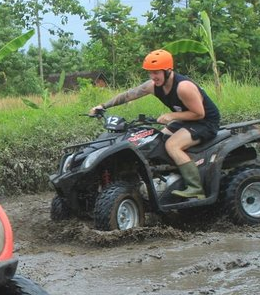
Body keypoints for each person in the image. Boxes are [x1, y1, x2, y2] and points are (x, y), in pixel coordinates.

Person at [89, 49, 220, 199]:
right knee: (156, 140)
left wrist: (172, 116)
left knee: (172, 145)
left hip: (205, 122)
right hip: (185, 120)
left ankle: (195, 187)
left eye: (156, 72)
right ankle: (170, 176)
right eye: (150, 73)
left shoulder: (184, 87)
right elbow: (129, 95)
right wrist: (103, 106)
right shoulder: (153, 85)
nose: (153, 77)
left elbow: (199, 113)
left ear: (168, 70)